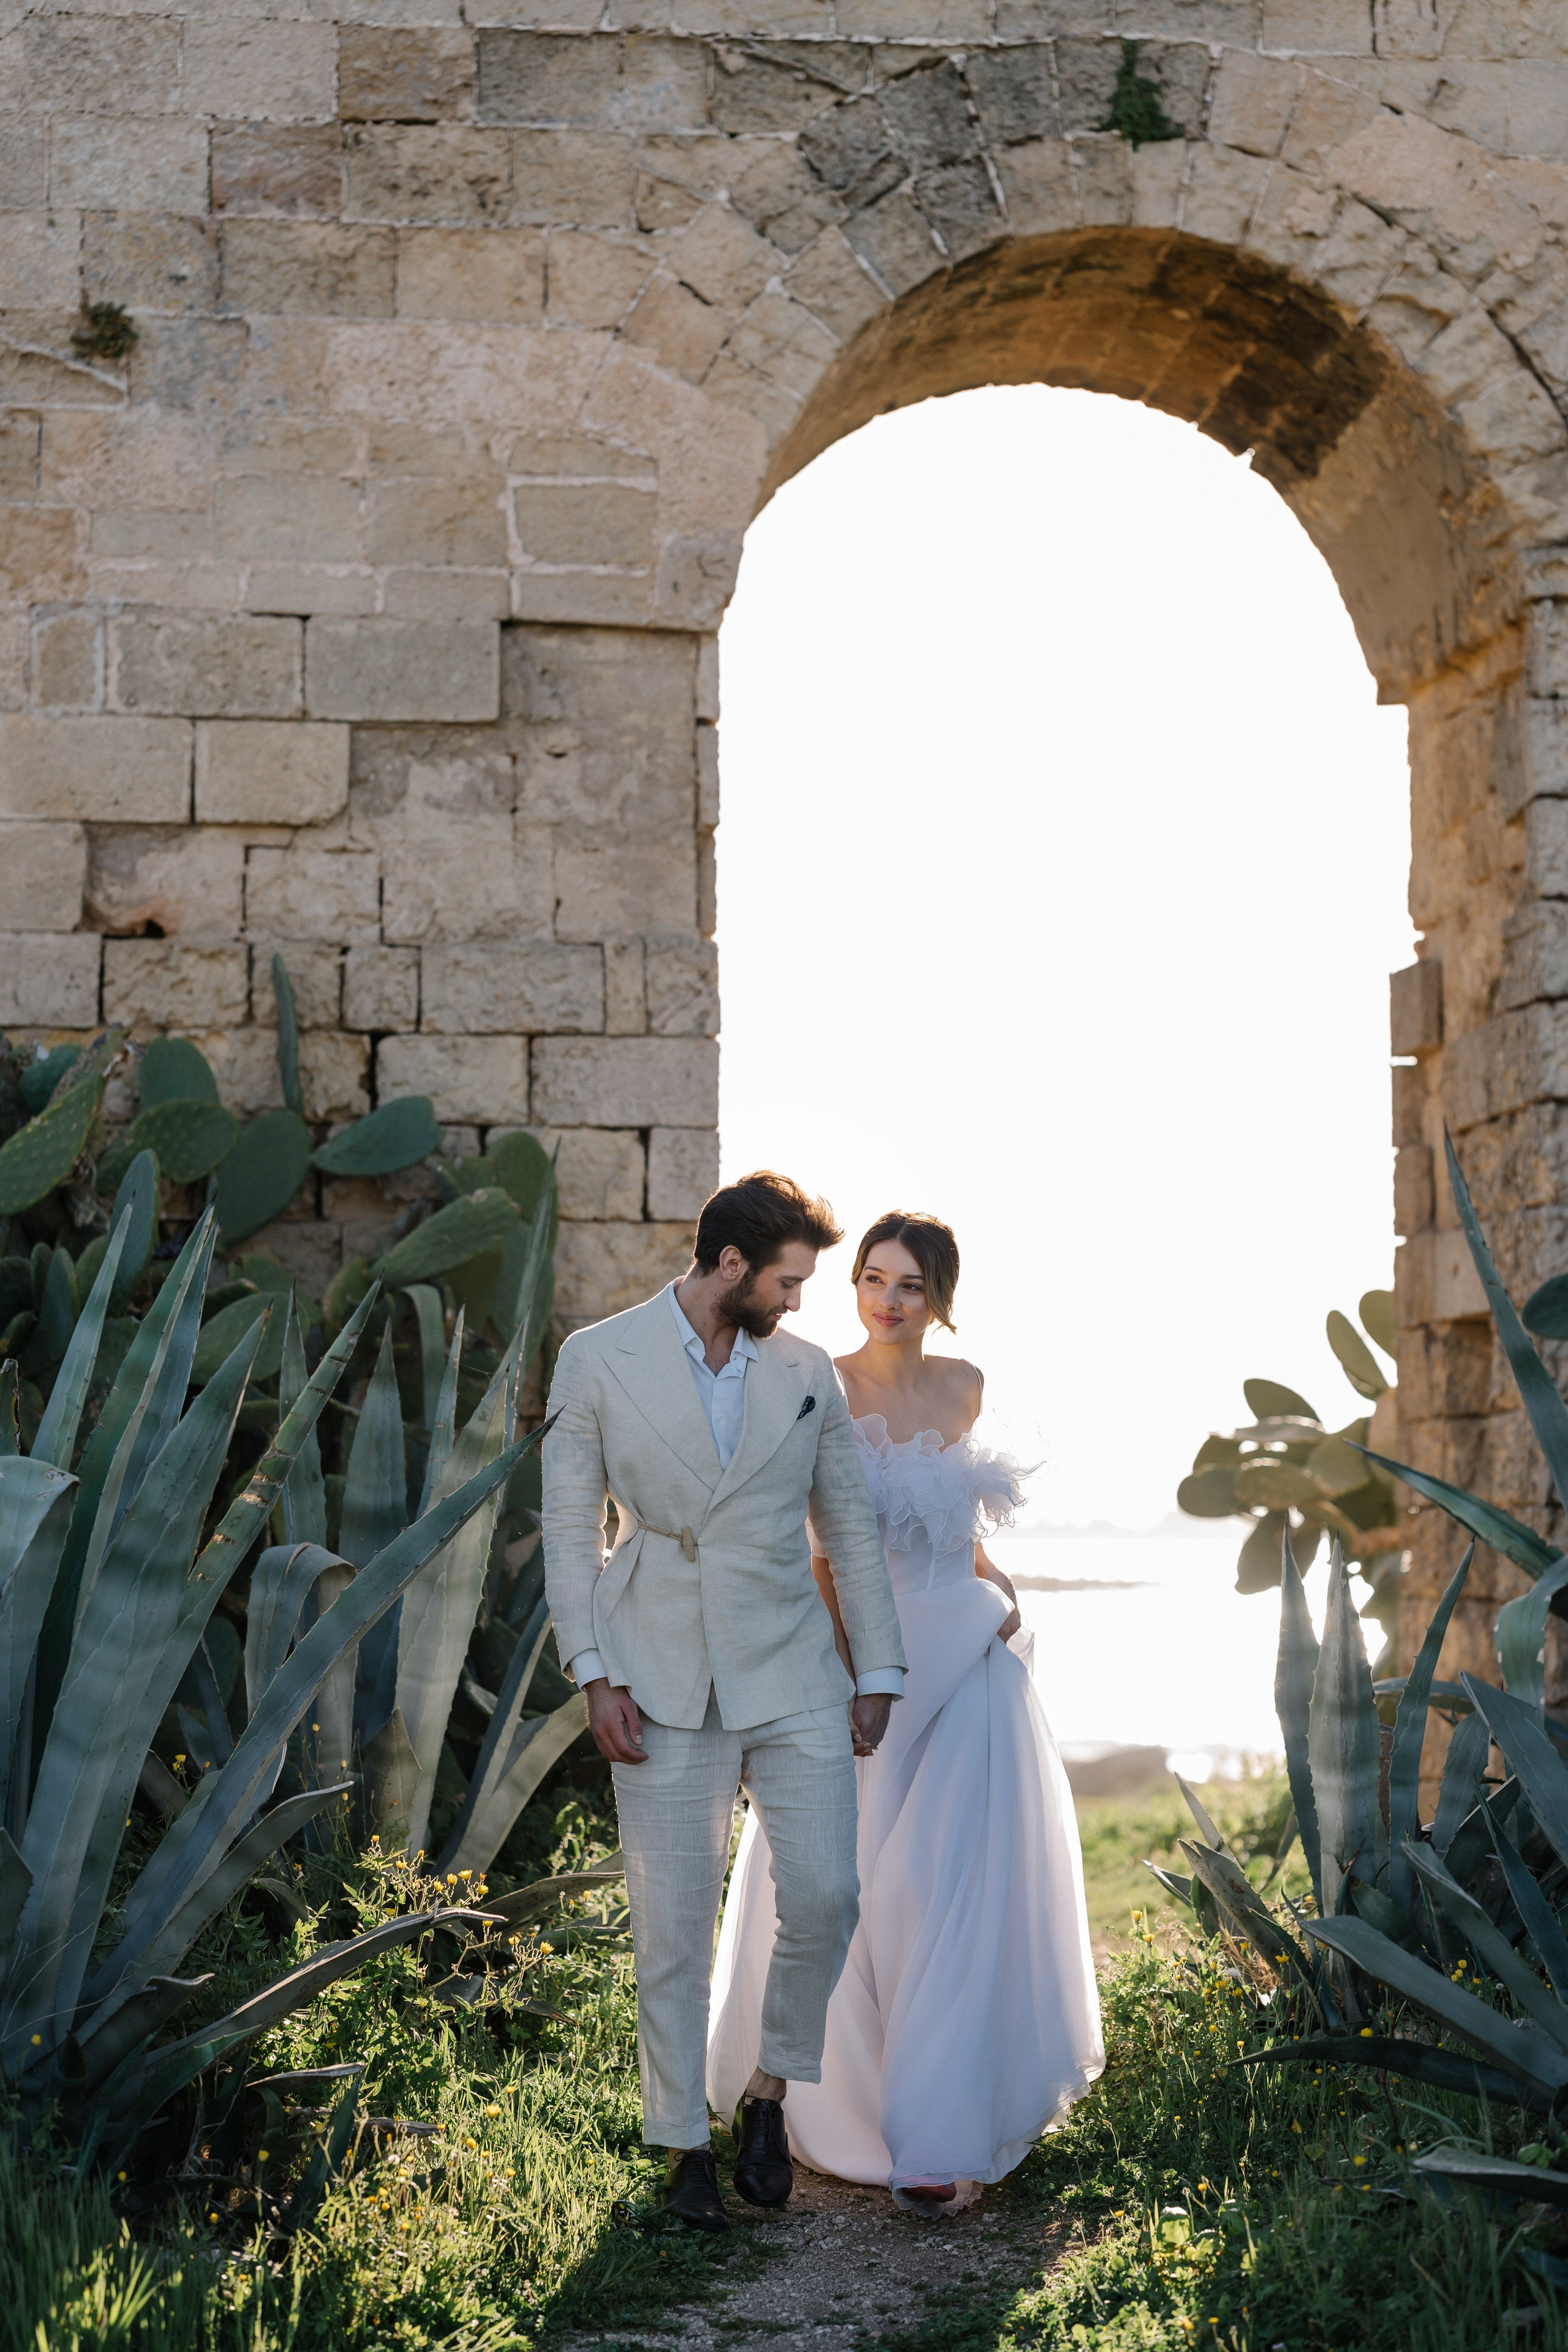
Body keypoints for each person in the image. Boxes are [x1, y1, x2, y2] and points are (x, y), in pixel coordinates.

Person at [707, 1211, 1103, 2215]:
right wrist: (841, 1671)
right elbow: (824, 1552)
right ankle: (837, 2109)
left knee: (953, 1889)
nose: (888, 1300)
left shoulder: (966, 1388)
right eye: (873, 1279)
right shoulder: (816, 1382)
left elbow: (958, 1537)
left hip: (967, 1657)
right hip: (866, 1667)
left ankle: (943, 2134)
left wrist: (1006, 1595)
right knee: (846, 1891)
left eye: (911, 1285)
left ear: (941, 1299)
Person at [541, 1172, 907, 2233]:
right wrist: (593, 1672)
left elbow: (846, 1525)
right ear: (732, 1266)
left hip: (791, 1662)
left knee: (829, 1895)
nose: (802, 1304)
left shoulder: (806, 1375)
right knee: (670, 1925)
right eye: (790, 1282)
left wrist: (875, 1670)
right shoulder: (596, 1357)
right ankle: (682, 2146)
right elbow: (571, 1533)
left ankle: (767, 2093)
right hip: (654, 1668)